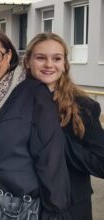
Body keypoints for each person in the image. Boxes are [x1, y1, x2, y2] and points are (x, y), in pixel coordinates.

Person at [0, 26, 71, 220]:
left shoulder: (33, 93)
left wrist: (56, 211)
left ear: (9, 55)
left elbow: (50, 160)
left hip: (22, 208)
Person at [23, 32, 104, 220]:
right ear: (28, 62)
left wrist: (56, 141)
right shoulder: (15, 101)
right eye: (41, 58)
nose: (49, 65)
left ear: (65, 64)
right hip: (25, 203)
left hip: (72, 206)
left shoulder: (84, 106)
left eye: (56, 58)